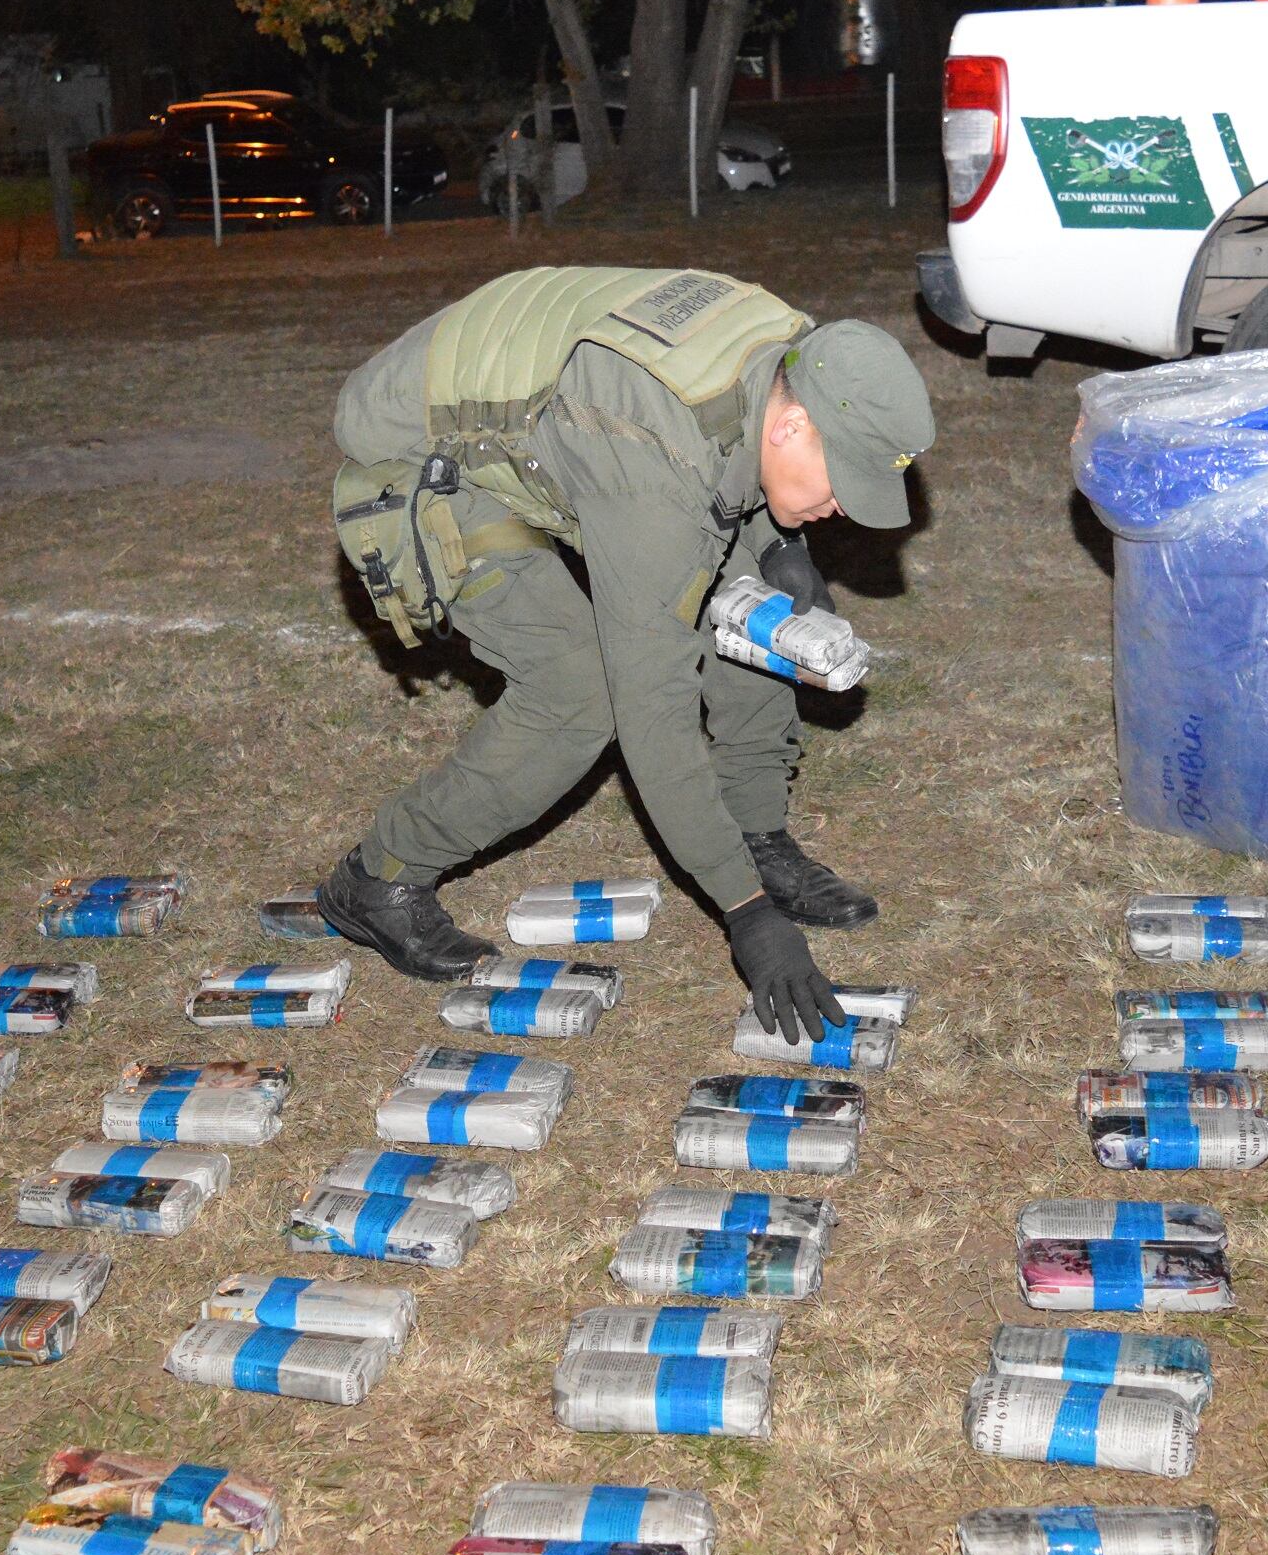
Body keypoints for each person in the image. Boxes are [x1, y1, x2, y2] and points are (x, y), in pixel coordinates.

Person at [316, 266, 935, 1041]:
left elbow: (723, 456)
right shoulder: (654, 472)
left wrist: (779, 545)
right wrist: (744, 914)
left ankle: (753, 832)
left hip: (562, 421)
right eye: (842, 485)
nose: (842, 509)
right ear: (791, 426)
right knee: (583, 692)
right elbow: (656, 715)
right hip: (423, 457)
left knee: (761, 616)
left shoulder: (796, 354)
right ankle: (380, 878)